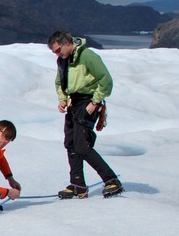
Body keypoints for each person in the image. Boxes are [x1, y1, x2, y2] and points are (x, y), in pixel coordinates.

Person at [48, 31, 123, 199]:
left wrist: (95, 101)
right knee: (71, 143)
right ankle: (77, 184)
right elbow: (59, 82)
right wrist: (62, 99)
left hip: (87, 102)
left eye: (58, 49)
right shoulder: (63, 60)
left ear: (67, 42)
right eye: (54, 52)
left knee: (82, 146)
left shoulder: (87, 55)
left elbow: (106, 80)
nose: (57, 54)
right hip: (74, 103)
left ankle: (111, 180)